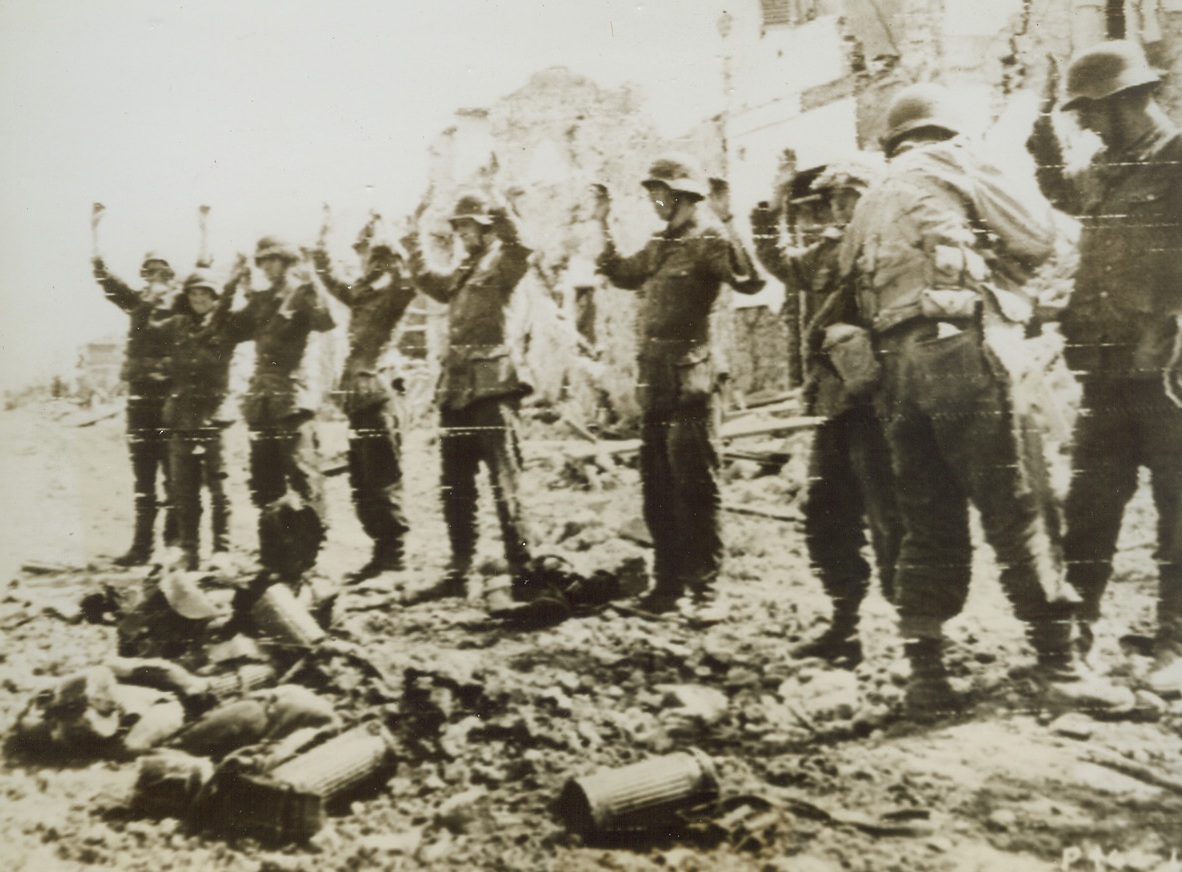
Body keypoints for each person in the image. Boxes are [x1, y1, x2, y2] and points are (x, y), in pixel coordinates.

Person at [839, 83, 1133, 717]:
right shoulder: (952, 160)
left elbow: (843, 289)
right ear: (948, 131)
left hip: (897, 372)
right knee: (1020, 502)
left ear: (894, 139)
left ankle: (926, 679)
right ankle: (1059, 664)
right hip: (964, 353)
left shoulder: (869, 200)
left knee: (927, 518)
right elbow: (1035, 235)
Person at [1027, 41, 1182, 697]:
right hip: (1106, 366)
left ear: (1128, 99)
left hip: (1168, 371)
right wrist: (1041, 142)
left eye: (1090, 110)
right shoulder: (1107, 165)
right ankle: (1079, 631)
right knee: (1090, 504)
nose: (1084, 124)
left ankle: (1173, 640)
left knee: (1179, 509)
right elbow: (1066, 191)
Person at [594, 153, 765, 613]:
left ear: (685, 195)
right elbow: (623, 274)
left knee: (697, 488)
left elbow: (751, 280)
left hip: (694, 380)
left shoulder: (709, 238)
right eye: (651, 193)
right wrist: (603, 223)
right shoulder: (659, 244)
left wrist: (732, 220)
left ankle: (707, 592)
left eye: (661, 193)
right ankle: (666, 589)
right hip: (655, 384)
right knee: (657, 488)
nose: (654, 201)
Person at [750, 156, 901, 667]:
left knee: (891, 521)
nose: (839, 210)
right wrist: (767, 212)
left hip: (884, 408)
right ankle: (845, 624)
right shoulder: (832, 252)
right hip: (835, 407)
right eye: (834, 201)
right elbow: (783, 266)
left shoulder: (895, 247)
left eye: (848, 198)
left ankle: (917, 639)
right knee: (826, 515)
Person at [402, 193, 536, 605]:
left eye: (469, 226)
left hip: (493, 388)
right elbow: (429, 281)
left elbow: (521, 246)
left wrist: (499, 208)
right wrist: (411, 241)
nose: (462, 233)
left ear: (486, 226)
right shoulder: (463, 270)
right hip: (457, 391)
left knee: (504, 483)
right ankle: (459, 572)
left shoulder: (504, 263)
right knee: (455, 487)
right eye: (458, 226)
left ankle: (525, 575)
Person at [312, 209, 415, 582]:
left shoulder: (394, 294)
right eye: (364, 254)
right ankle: (380, 554)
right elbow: (327, 275)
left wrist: (395, 235)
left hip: (380, 395)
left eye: (374, 255)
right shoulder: (362, 296)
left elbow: (409, 276)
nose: (366, 261)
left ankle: (395, 558)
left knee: (382, 478)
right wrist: (323, 235)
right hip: (359, 400)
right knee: (363, 481)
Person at [225, 236, 335, 579]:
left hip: (292, 398)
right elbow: (227, 330)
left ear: (288, 262)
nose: (268, 267)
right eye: (263, 262)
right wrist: (233, 284)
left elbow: (325, 320)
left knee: (304, 480)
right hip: (262, 402)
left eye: (274, 260)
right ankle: (273, 557)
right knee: (264, 482)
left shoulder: (301, 293)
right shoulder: (259, 301)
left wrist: (313, 279)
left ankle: (308, 559)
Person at [135, 259, 249, 570]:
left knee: (219, 487)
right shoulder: (176, 326)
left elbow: (227, 305)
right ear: (187, 297)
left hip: (214, 416)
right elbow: (143, 331)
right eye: (194, 294)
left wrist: (235, 279)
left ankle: (221, 550)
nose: (200, 300)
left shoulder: (225, 325)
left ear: (214, 298)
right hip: (181, 418)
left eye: (206, 294)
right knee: (183, 491)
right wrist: (151, 297)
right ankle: (188, 550)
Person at [90, 203, 181, 566]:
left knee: (174, 476)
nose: (156, 276)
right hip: (140, 399)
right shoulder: (137, 303)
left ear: (171, 275)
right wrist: (95, 238)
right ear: (145, 275)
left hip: (171, 399)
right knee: (143, 477)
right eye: (150, 271)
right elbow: (107, 281)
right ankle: (141, 548)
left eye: (162, 271)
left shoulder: (182, 305)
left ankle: (174, 547)